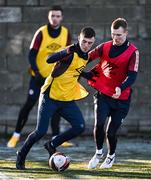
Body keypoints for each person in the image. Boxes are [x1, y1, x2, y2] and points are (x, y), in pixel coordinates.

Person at [16, 27, 96, 170]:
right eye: (84, 41)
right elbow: (49, 59)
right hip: (50, 96)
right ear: (79, 39)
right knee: (40, 132)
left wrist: (88, 75)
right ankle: (21, 154)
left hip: (66, 99)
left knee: (80, 127)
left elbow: (75, 69)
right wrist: (65, 50)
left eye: (90, 43)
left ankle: (51, 144)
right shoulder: (70, 52)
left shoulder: (85, 56)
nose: (86, 45)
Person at [7, 5, 72, 148]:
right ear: (49, 17)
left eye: (58, 16)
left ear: (61, 18)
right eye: (52, 16)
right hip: (38, 78)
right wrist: (37, 73)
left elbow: (69, 55)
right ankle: (16, 135)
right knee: (29, 104)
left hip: (54, 79)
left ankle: (56, 136)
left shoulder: (66, 33)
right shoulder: (41, 33)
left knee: (56, 107)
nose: (55, 19)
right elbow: (31, 54)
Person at [85, 18, 139, 169]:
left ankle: (111, 156)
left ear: (126, 33)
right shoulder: (104, 47)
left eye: (119, 35)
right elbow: (87, 57)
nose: (116, 38)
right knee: (99, 124)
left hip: (121, 98)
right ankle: (98, 153)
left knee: (111, 132)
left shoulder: (133, 52)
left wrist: (121, 87)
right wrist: (71, 58)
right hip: (103, 94)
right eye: (113, 34)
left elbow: (132, 76)